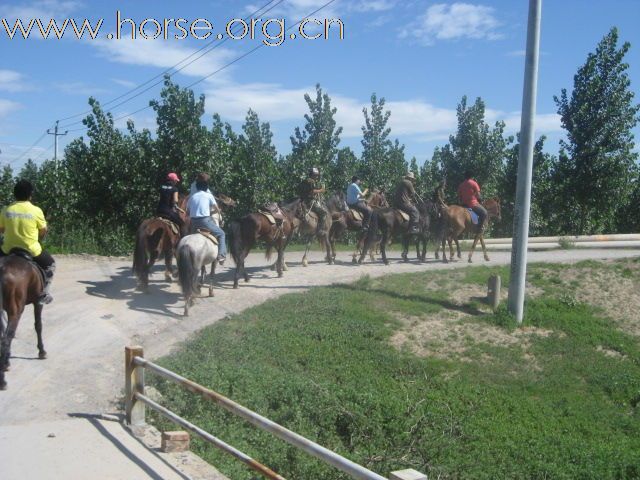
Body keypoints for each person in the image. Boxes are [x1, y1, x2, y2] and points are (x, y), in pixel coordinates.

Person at [0, 179, 55, 304]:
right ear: (30, 195)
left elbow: (1, 230)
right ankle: (44, 293)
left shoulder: (6, 210)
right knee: (51, 264)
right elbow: (43, 230)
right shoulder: (36, 210)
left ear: (14, 194)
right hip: (31, 249)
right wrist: (39, 238)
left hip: (8, 249)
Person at [187, 178, 226, 264]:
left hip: (193, 223)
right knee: (221, 234)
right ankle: (221, 255)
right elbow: (217, 210)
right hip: (205, 221)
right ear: (206, 188)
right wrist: (213, 211)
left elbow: (188, 212)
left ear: (197, 188)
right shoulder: (209, 196)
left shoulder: (192, 197)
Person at [297, 167, 328, 235]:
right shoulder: (311, 181)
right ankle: (320, 230)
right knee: (323, 213)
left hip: (302, 200)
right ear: (312, 174)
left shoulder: (304, 181)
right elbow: (312, 191)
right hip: (310, 201)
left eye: (317, 175)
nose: (317, 176)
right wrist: (321, 190)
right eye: (316, 175)